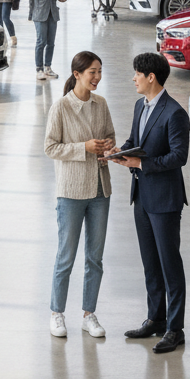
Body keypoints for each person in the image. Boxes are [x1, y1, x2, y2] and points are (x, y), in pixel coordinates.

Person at [108, 52, 190, 354]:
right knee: (150, 264)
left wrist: (142, 165)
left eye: (137, 75)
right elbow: (135, 141)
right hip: (141, 197)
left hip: (165, 200)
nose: (133, 79)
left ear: (150, 77)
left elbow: (179, 157)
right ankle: (155, 319)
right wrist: (121, 151)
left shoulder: (174, 113)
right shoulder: (139, 106)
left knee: (170, 265)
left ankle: (175, 329)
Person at [44, 51, 116, 339]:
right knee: (66, 257)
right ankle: (56, 313)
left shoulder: (102, 104)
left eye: (100, 71)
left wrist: (109, 145)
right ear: (77, 75)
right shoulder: (60, 107)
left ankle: (89, 314)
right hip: (71, 192)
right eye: (92, 72)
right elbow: (50, 148)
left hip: (100, 189)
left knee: (95, 258)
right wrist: (83, 148)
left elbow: (111, 135)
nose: (97, 77)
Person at [28, 0, 69, 80]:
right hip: (39, 14)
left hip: (53, 13)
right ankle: (39, 69)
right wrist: (31, 14)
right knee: (41, 42)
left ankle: (48, 67)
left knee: (51, 43)